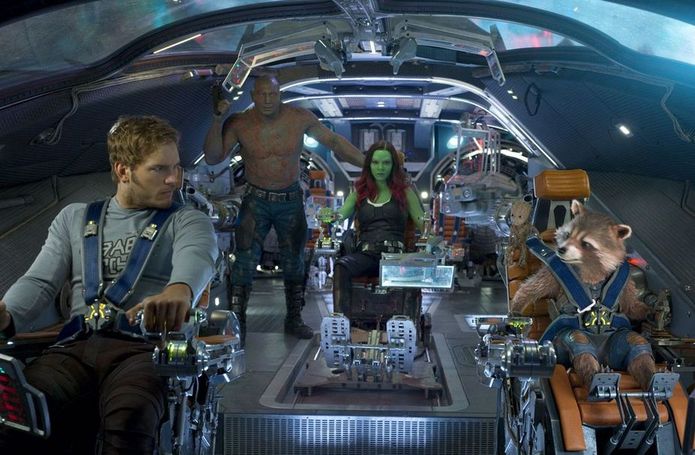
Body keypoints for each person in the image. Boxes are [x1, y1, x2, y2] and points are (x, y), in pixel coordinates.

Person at [0, 116, 218, 454]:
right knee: (24, 413)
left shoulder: (187, 220)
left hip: (144, 349)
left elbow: (198, 256)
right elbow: (40, 281)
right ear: (123, 171)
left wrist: (179, 291)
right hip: (76, 347)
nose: (174, 179)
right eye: (159, 169)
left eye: (177, 167)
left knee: (131, 416)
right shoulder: (74, 218)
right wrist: (7, 313)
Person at [203, 74, 364, 345]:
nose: (267, 99)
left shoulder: (299, 118)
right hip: (255, 199)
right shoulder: (240, 123)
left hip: (290, 200)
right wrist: (218, 119)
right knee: (244, 262)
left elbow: (334, 142)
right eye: (262, 94)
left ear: (280, 95)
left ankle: (294, 319)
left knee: (294, 262)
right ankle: (238, 322)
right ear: (253, 96)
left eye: (273, 94)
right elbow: (213, 157)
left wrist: (367, 162)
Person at [331, 141, 425, 316]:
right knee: (341, 266)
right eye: (375, 162)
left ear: (393, 166)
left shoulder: (406, 193)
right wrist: (328, 217)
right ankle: (340, 318)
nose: (380, 168)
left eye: (386, 163)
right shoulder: (359, 193)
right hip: (367, 255)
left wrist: (433, 239)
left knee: (413, 271)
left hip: (396, 257)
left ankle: (406, 320)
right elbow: (339, 215)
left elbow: (424, 223)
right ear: (369, 165)